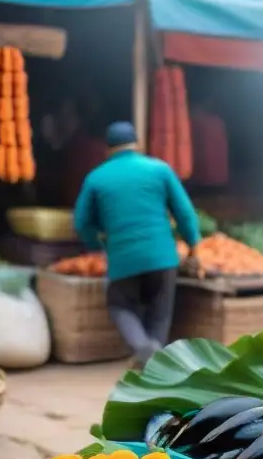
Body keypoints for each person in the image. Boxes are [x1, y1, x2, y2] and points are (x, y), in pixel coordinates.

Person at [74, 122, 201, 367]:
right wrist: (194, 245)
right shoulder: (160, 169)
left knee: (120, 306)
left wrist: (96, 246)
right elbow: (184, 212)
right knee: (160, 313)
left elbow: (81, 222)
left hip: (122, 258)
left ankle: (144, 350)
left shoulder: (96, 178)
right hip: (163, 256)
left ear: (107, 149)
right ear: (138, 144)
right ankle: (152, 361)